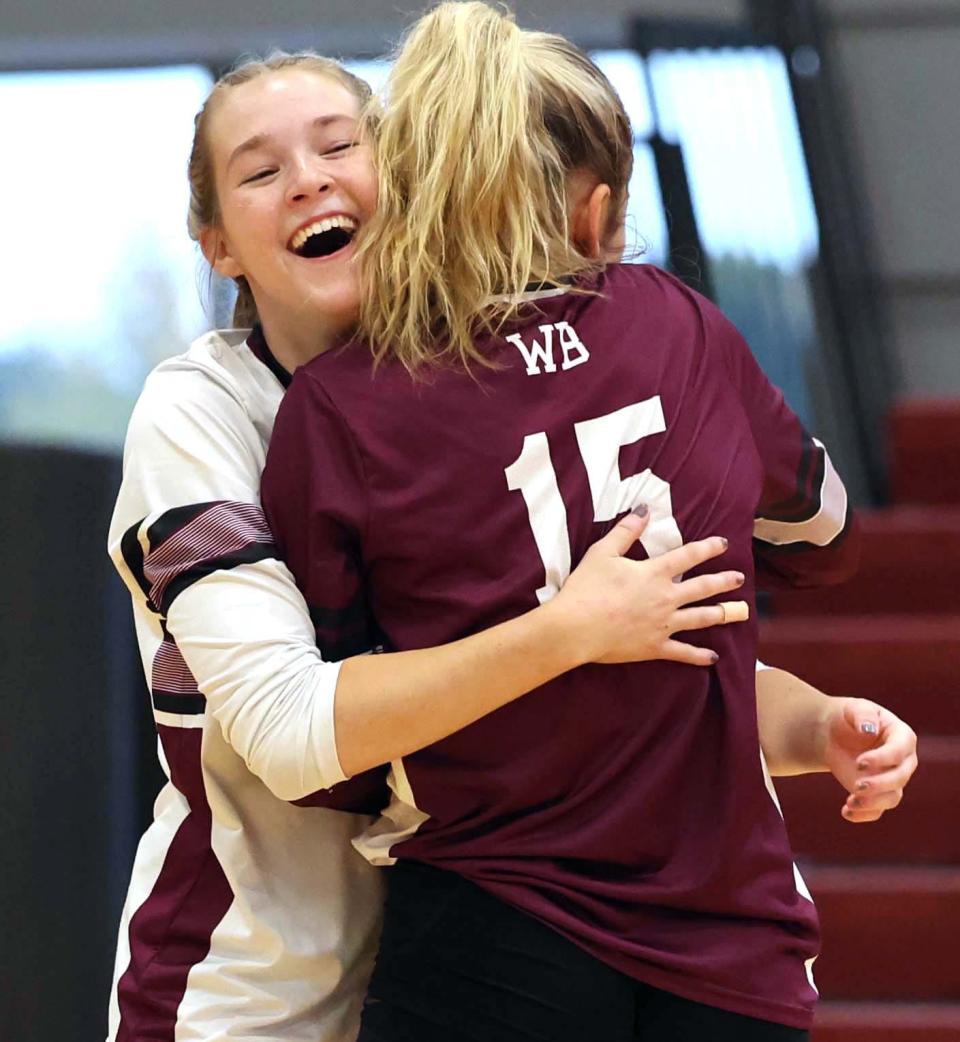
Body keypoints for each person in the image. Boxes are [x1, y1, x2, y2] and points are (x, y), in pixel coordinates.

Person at [109, 45, 917, 1042]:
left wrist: (810, 719)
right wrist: (564, 632)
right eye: (262, 170)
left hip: (454, 931)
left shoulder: (472, 391)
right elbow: (291, 733)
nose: (309, 178)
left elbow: (618, 668)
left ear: (409, 180)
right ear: (218, 243)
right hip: (259, 974)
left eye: (338, 147)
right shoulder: (203, 413)